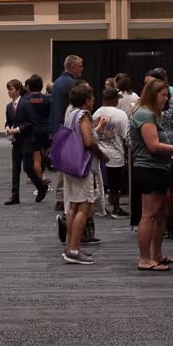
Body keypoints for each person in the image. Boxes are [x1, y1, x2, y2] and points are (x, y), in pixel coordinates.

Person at [130, 79, 173, 272]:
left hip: (158, 169)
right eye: (163, 95)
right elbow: (153, 146)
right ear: (152, 95)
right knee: (149, 215)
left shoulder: (151, 114)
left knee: (161, 214)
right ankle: (145, 259)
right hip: (149, 170)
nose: (166, 99)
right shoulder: (145, 115)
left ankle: (156, 254)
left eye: (167, 95)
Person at [59, 84, 108, 265]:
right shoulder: (84, 115)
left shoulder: (71, 114)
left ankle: (70, 246)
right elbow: (88, 141)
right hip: (83, 166)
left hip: (70, 165)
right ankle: (74, 249)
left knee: (73, 205)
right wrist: (102, 156)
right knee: (84, 207)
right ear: (87, 100)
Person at [14, 75, 52, 203]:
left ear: (28, 87)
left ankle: (40, 182)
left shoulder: (25, 101)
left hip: (31, 133)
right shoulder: (47, 100)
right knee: (43, 155)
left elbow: (20, 118)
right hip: (45, 131)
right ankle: (42, 178)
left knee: (33, 160)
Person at [93, 87, 129, 219]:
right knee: (115, 185)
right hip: (115, 154)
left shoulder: (95, 113)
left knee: (100, 183)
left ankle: (100, 207)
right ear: (114, 99)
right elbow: (125, 135)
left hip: (99, 153)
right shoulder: (120, 114)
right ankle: (116, 207)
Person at [51, 55, 83, 136]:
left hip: (57, 128)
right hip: (66, 129)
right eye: (80, 66)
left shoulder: (57, 82)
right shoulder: (71, 83)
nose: (82, 69)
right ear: (73, 67)